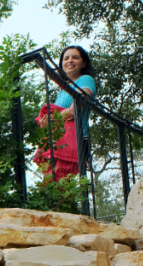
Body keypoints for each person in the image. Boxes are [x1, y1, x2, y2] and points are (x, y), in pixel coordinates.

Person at [33, 45, 97, 182]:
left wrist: (55, 118)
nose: (70, 61)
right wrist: (46, 124)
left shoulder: (85, 80)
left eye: (75, 57)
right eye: (66, 58)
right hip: (58, 142)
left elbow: (76, 108)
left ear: (83, 63)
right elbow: (60, 116)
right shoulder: (62, 91)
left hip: (76, 140)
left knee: (62, 186)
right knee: (51, 186)